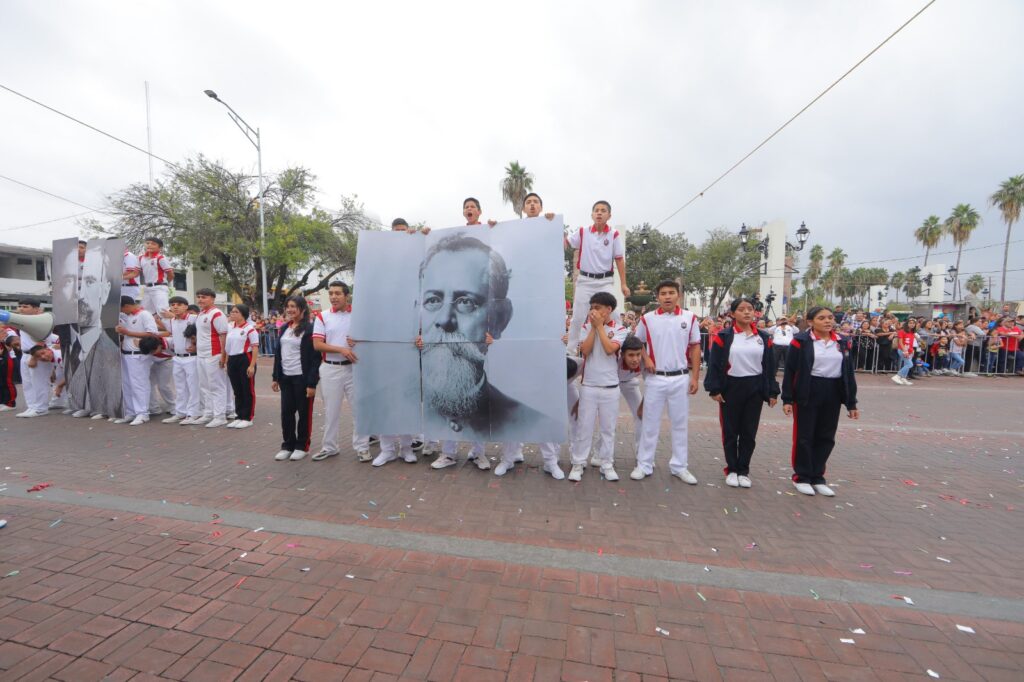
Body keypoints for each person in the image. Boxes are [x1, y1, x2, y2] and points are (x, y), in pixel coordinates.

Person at [421, 232, 560, 469]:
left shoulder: (523, 418)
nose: (445, 320)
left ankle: (478, 453)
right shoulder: (393, 405)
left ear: (500, 318)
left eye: (466, 302)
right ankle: (448, 453)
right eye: (433, 300)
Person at [782, 305, 859, 495]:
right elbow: (790, 371)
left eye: (830, 318)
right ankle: (802, 476)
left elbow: (848, 373)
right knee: (804, 436)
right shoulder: (801, 341)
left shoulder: (843, 342)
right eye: (822, 318)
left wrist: (852, 402)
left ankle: (818, 476)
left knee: (826, 436)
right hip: (808, 390)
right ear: (810, 322)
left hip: (832, 390)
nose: (828, 321)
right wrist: (788, 399)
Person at [704, 298, 780, 489]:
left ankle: (743, 470)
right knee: (730, 431)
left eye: (750, 309)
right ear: (732, 314)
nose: (747, 312)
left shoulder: (763, 338)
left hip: (755, 387)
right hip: (731, 387)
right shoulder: (725, 336)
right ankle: (731, 469)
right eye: (742, 309)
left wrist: (772, 391)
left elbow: (770, 366)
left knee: (749, 432)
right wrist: (715, 389)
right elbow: (714, 364)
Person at [632, 280, 702, 483]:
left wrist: (695, 377)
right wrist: (646, 359)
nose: (667, 296)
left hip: (680, 377)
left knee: (680, 424)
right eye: (663, 293)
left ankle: (680, 466)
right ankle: (644, 464)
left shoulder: (689, 318)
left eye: (671, 292)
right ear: (658, 296)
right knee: (650, 423)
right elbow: (638, 342)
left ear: (678, 295)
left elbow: (695, 347)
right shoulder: (647, 319)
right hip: (655, 378)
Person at [568, 292, 629, 482]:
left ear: (608, 310)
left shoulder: (621, 329)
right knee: (584, 426)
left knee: (608, 429)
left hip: (610, 386)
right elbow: (585, 351)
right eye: (591, 307)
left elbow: (610, 349)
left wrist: (600, 327)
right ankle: (578, 463)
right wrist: (594, 328)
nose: (593, 311)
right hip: (589, 385)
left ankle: (606, 463)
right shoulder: (586, 327)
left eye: (598, 307)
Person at [311, 282, 371, 462]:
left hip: (355, 368)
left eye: (337, 293)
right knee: (331, 410)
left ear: (347, 295)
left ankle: (362, 447)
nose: (333, 297)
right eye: (331, 293)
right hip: (330, 368)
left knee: (359, 410)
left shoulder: (359, 316)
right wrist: (342, 349)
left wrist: (359, 342)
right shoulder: (322, 316)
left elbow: (368, 339)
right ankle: (329, 447)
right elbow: (317, 344)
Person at [565, 201, 629, 349]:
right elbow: (566, 243)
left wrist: (624, 284)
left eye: (603, 210)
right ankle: (571, 351)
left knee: (613, 314)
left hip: (605, 281)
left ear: (609, 215)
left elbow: (619, 259)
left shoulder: (614, 234)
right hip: (585, 280)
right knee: (578, 317)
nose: (599, 213)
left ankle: (619, 346)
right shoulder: (583, 232)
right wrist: (552, 225)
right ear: (592, 215)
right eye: (597, 210)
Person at [272, 295, 320, 461]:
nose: (290, 309)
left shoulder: (310, 329)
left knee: (304, 413)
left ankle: (302, 445)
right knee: (286, 413)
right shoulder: (285, 328)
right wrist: (275, 377)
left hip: (302, 378)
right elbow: (278, 354)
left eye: (294, 306)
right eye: (288, 306)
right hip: (286, 377)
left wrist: (311, 383)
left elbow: (315, 358)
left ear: (302, 309)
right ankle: (287, 445)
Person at [114, 296, 159, 426]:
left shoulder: (145, 314)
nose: (121, 312)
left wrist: (127, 332)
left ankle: (143, 413)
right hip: (126, 354)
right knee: (127, 385)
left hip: (139, 355)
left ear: (127, 306)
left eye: (121, 309)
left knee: (139, 384)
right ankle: (131, 412)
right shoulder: (126, 317)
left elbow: (152, 334)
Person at [160, 296, 200, 424]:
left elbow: (204, 334)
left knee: (193, 387)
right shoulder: (172, 321)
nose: (175, 307)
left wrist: (196, 345)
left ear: (186, 307)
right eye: (172, 304)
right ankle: (180, 412)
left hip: (191, 358)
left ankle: (194, 413)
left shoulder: (194, 319)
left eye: (178, 304)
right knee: (180, 386)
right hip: (177, 357)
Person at [14, 298, 56, 418]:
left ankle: (41, 408)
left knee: (39, 382)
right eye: (20, 306)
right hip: (25, 354)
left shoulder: (41, 320)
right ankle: (32, 406)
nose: (21, 308)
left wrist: (34, 358)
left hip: (38, 355)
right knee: (27, 383)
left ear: (36, 309)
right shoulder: (22, 320)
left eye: (25, 306)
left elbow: (42, 340)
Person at [194, 288, 230, 428]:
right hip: (201, 355)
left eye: (204, 297)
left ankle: (220, 416)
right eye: (199, 297)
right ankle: (208, 413)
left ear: (212, 299)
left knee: (216, 386)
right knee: (204, 386)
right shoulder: (201, 314)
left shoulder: (217, 314)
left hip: (214, 354)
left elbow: (223, 335)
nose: (200, 300)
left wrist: (223, 356)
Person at [224, 304, 259, 429]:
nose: (232, 314)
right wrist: (227, 362)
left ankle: (248, 417)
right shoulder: (230, 327)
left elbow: (255, 347)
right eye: (231, 312)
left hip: (245, 358)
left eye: (235, 312)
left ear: (243, 314)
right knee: (237, 390)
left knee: (247, 389)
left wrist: (252, 365)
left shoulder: (250, 329)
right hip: (232, 359)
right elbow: (228, 347)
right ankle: (239, 416)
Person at [139, 237, 174, 316]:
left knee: (163, 311)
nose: (149, 245)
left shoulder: (161, 258)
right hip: (147, 288)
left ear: (160, 248)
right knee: (144, 312)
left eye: (153, 244)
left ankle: (170, 328)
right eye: (147, 243)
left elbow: (171, 274)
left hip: (159, 288)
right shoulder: (141, 258)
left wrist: (164, 283)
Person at [892, 319, 918, 386]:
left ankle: (903, 378)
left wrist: (912, 350)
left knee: (906, 365)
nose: (912, 324)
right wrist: (905, 350)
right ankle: (898, 376)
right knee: (910, 364)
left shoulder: (912, 332)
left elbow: (911, 343)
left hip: (910, 351)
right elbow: (900, 342)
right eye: (910, 323)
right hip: (903, 350)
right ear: (907, 324)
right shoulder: (902, 331)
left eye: (913, 323)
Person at [0, 327, 17, 411]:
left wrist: (2, 339)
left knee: (7, 381)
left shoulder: (6, 332)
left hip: (5, 360)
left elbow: (9, 348)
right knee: (1, 383)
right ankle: (3, 401)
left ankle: (10, 403)